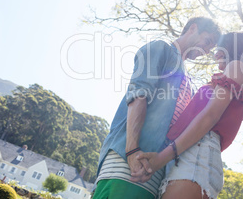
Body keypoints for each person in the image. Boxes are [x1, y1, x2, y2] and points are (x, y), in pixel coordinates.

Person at [92, 17, 221, 199]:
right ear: (193, 28)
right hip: (128, 164)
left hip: (154, 175)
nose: (207, 51)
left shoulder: (188, 80)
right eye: (207, 42)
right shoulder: (162, 49)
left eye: (210, 48)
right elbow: (139, 95)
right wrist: (132, 151)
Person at [133, 31, 243, 199]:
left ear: (233, 48)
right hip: (191, 155)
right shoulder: (239, 74)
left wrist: (161, 158)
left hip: (197, 154)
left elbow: (210, 116)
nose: (215, 54)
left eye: (220, 48)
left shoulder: (237, 66)